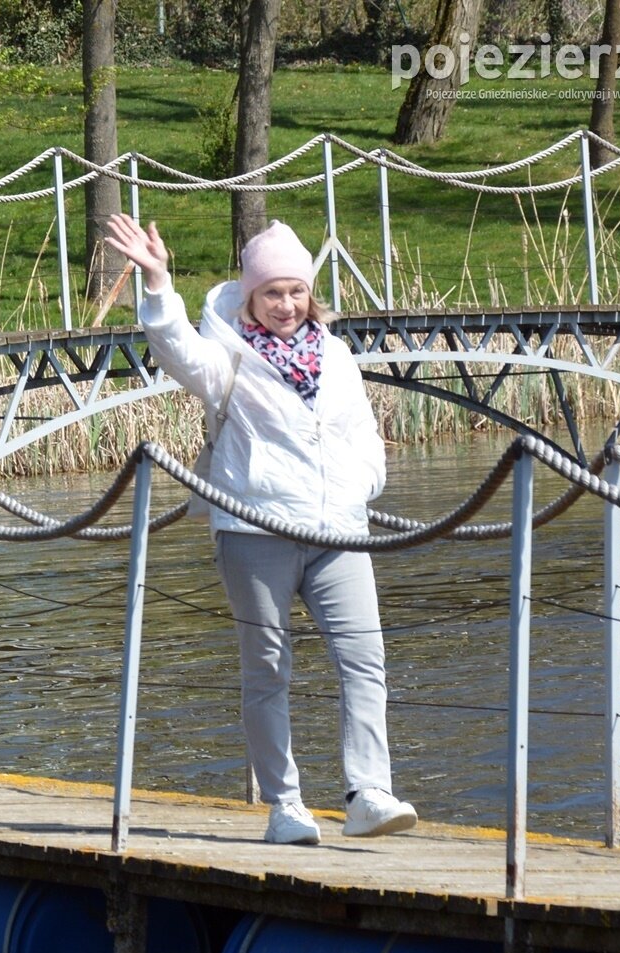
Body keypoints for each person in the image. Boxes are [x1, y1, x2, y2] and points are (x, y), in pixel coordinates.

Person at [103, 213, 418, 845]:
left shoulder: (336, 356)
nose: (286, 304)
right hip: (254, 531)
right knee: (268, 668)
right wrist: (158, 282)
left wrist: (361, 487)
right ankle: (286, 805)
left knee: (365, 660)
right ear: (250, 296)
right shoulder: (228, 357)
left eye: (296, 291)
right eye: (272, 292)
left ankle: (368, 793)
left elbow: (364, 437)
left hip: (339, 532)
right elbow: (177, 351)